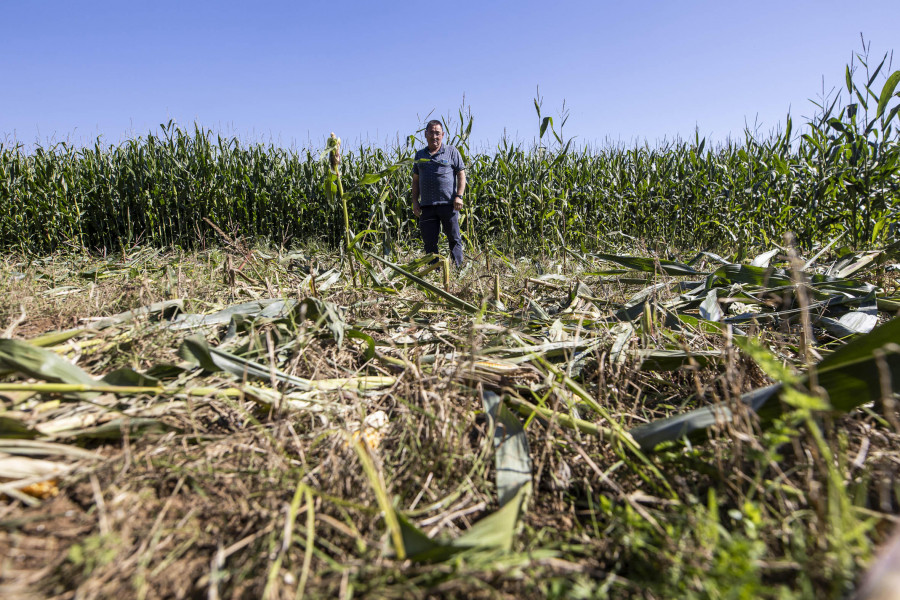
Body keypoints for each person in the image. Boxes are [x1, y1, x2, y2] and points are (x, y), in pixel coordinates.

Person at [412, 120, 466, 267]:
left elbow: (461, 174)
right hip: (427, 206)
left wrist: (459, 196)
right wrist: (415, 201)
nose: (434, 136)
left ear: (442, 135)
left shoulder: (452, 152)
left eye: (438, 133)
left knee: (454, 239)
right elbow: (415, 180)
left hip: (448, 204)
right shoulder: (419, 155)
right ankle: (433, 271)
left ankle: (457, 269)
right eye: (431, 132)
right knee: (429, 242)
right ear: (425, 134)